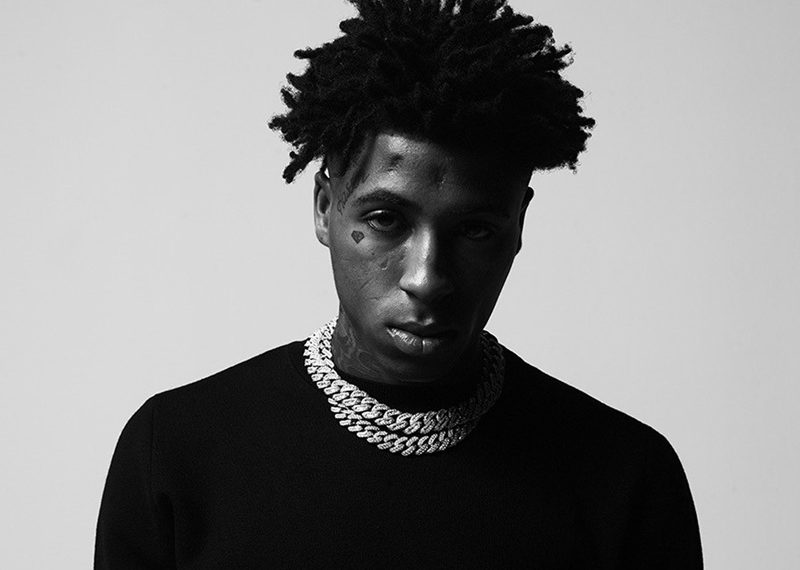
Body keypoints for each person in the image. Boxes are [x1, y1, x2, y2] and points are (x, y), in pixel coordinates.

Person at [95, 0, 703, 567]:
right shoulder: (177, 450)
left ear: (519, 225)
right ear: (325, 207)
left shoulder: (627, 477)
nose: (427, 278)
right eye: (386, 220)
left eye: (475, 231)